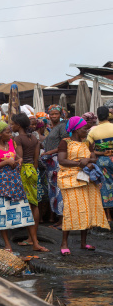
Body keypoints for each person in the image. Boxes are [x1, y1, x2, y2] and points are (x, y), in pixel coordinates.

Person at [0, 121, 47, 253]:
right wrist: (6, 162)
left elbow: (17, 156)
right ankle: (7, 245)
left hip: (15, 182)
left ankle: (35, 243)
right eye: (7, 132)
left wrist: (19, 159)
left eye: (10, 131)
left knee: (25, 212)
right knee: (3, 214)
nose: (10, 134)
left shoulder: (11, 143)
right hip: (1, 183)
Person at [58, 116, 109, 253]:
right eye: (84, 129)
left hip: (87, 179)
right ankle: (64, 244)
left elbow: (94, 157)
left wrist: (87, 159)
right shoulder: (65, 142)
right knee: (70, 210)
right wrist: (79, 163)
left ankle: (83, 243)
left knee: (87, 209)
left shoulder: (87, 142)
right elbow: (62, 160)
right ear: (75, 129)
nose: (87, 131)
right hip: (71, 180)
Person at [11, 113, 41, 235]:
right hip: (33, 170)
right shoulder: (34, 139)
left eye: (12, 124)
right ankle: (33, 235)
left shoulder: (18, 139)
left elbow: (20, 158)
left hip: (23, 170)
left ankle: (30, 237)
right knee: (34, 203)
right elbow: (36, 159)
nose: (11, 126)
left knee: (27, 204)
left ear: (18, 125)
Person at [39, 105, 68, 227]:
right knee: (53, 191)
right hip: (50, 163)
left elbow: (65, 143)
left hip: (57, 161)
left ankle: (63, 221)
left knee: (59, 191)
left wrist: (50, 152)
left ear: (61, 114)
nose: (54, 116)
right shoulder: (52, 127)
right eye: (52, 114)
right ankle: (59, 219)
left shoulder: (62, 127)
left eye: (56, 114)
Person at [87, 106, 113, 222]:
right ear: (108, 115)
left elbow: (88, 149)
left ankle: (108, 216)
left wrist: (102, 152)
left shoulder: (93, 131)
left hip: (102, 160)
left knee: (105, 186)